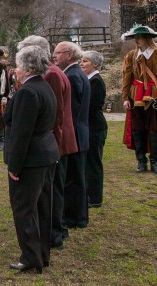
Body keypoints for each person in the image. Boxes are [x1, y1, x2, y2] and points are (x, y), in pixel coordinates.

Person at [18, 35, 77, 250]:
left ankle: (54, 233)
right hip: (55, 142)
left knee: (51, 192)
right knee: (54, 189)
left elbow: (54, 115)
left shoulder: (50, 75)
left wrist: (54, 147)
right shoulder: (52, 72)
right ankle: (57, 230)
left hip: (54, 142)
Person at [4, 45, 59, 274]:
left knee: (24, 209)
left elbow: (21, 133)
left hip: (31, 159)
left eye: (17, 66)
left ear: (27, 68)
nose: (15, 70)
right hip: (46, 154)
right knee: (43, 207)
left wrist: (14, 165)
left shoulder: (28, 91)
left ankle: (31, 257)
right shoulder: (43, 86)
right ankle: (41, 254)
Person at [121, 24, 157, 175]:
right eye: (136, 37)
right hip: (136, 96)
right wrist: (125, 97)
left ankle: (154, 161)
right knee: (137, 128)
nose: (137, 40)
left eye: (140, 37)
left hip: (154, 96)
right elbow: (126, 78)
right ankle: (141, 161)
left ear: (148, 38)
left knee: (155, 128)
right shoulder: (131, 55)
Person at [53, 41, 90, 231]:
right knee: (77, 177)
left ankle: (76, 217)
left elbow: (71, 111)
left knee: (74, 179)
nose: (54, 56)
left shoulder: (73, 76)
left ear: (68, 54)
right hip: (80, 132)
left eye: (57, 53)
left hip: (75, 133)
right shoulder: (76, 73)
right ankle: (78, 215)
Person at [80, 51, 108, 208]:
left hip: (95, 128)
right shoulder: (89, 80)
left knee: (94, 162)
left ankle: (95, 198)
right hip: (90, 127)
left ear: (95, 64)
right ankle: (88, 193)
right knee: (88, 162)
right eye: (81, 61)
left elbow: (91, 106)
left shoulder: (96, 82)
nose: (82, 64)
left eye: (86, 61)